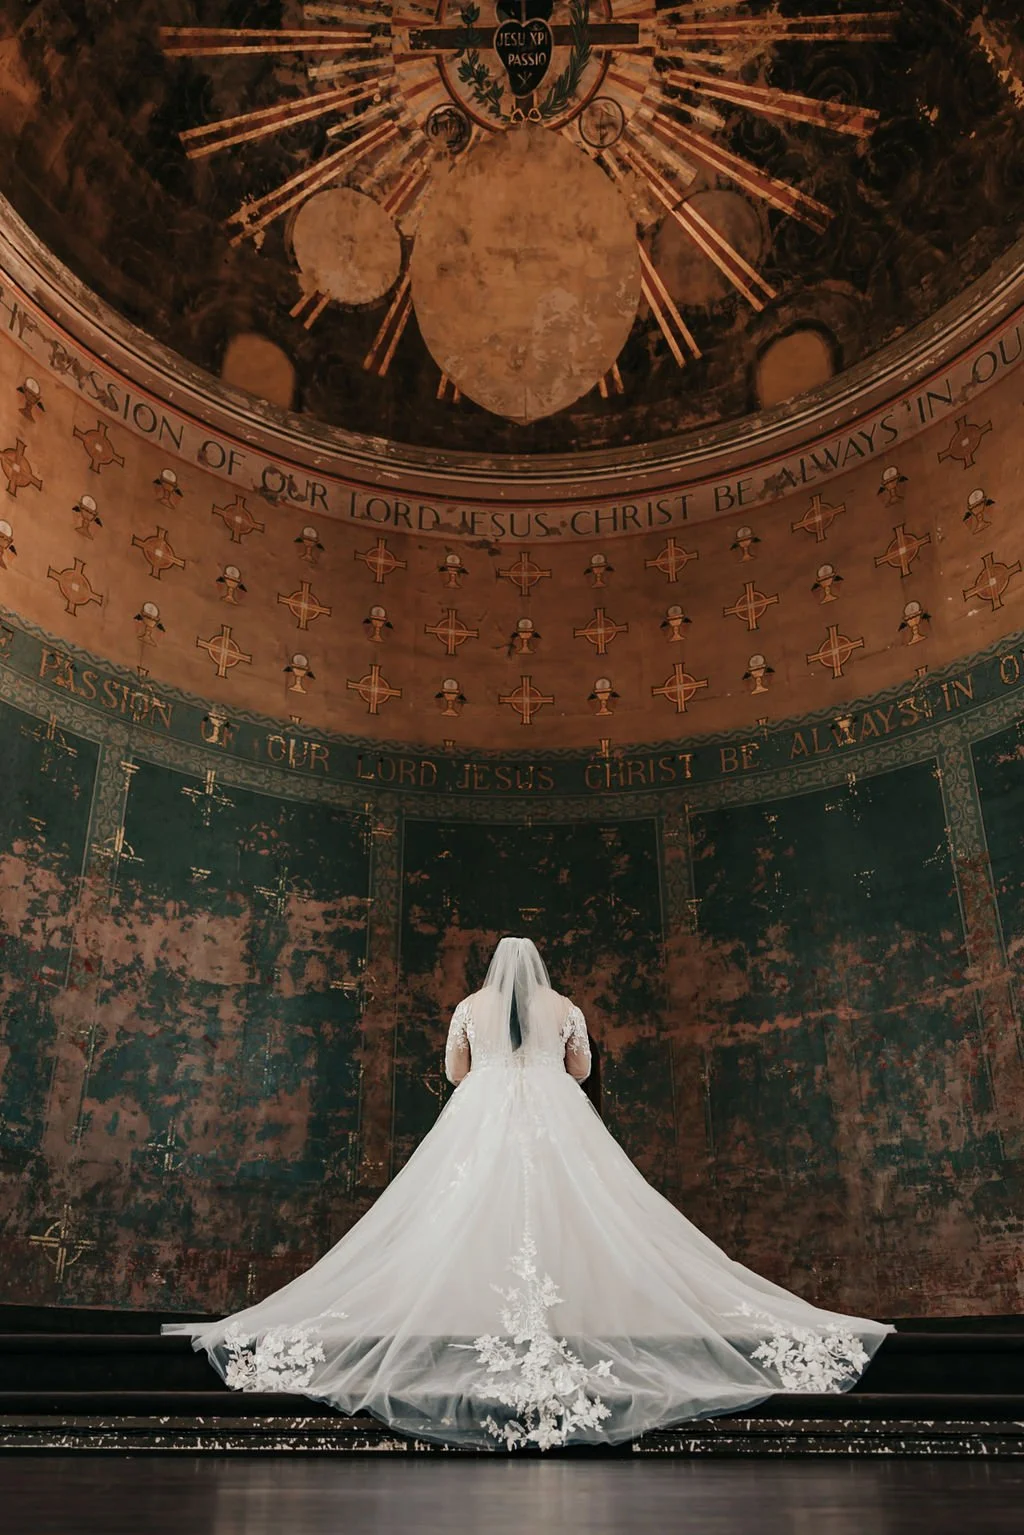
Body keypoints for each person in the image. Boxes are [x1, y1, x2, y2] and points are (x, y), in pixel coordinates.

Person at [163, 936, 892, 1449]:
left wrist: (488, 1067)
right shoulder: (565, 1002)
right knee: (583, 1211)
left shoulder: (470, 1004)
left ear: (493, 970)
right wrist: (545, 1064)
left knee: (460, 1214)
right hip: (553, 1111)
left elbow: (453, 1073)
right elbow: (579, 1071)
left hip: (480, 1113)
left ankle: (475, 1324)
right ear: (540, 969)